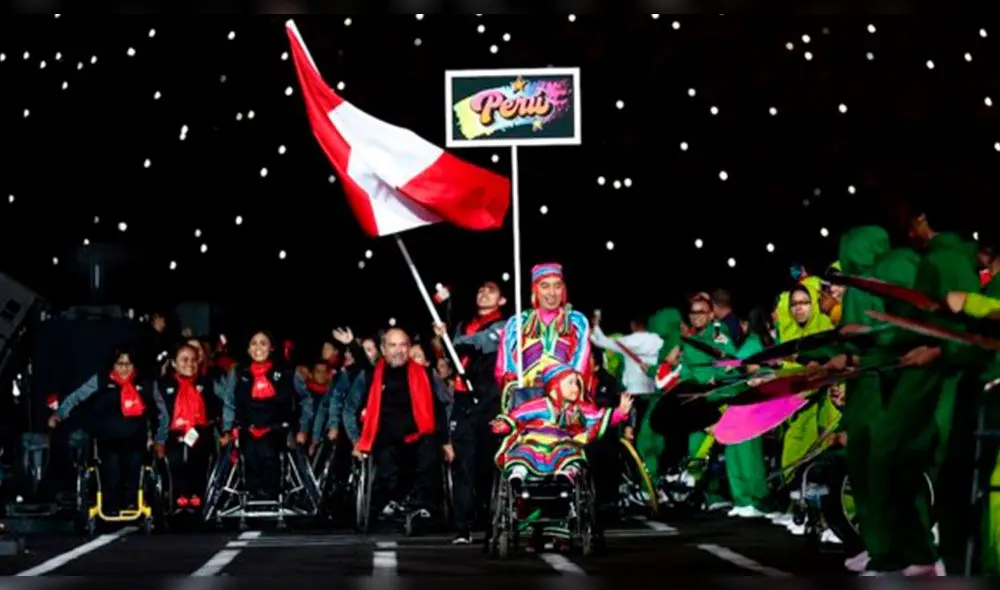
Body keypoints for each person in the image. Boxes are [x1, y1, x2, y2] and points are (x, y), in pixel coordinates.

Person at [863, 202, 983, 576]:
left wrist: (935, 351)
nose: (906, 229)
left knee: (905, 463)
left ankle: (924, 558)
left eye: (909, 220)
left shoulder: (946, 260)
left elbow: (964, 329)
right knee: (900, 463)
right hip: (932, 378)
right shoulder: (939, 259)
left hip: (939, 383)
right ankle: (918, 556)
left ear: (922, 218)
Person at [346, 327, 453, 528]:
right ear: (383, 349)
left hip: (420, 434)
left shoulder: (426, 374)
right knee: (385, 452)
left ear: (409, 347)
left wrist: (447, 442)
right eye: (392, 345)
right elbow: (350, 407)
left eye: (403, 345)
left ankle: (423, 505)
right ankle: (391, 502)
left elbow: (440, 410)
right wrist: (356, 441)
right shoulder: (369, 376)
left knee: (430, 448)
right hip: (385, 437)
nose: (398, 350)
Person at [48, 345, 168, 515]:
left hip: (136, 439)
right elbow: (76, 397)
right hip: (108, 439)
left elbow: (162, 413)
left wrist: (160, 438)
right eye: (120, 364)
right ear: (113, 365)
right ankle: (110, 504)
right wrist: (59, 414)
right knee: (111, 466)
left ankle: (131, 502)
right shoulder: (101, 380)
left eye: (128, 364)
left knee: (134, 464)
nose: (124, 368)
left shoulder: (147, 384)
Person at [432, 280, 507, 544]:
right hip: (463, 400)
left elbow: (476, 345)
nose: (483, 293)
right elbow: (452, 358)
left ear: (502, 301)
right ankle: (462, 527)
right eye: (480, 289)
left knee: (487, 464)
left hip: (488, 400)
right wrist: (444, 338)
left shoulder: (504, 326)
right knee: (462, 464)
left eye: (491, 290)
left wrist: (449, 339)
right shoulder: (463, 324)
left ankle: (491, 522)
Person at [492, 362, 632, 489]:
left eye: (577, 383)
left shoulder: (580, 409)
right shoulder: (538, 405)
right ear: (554, 386)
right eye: (570, 383)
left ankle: (567, 474)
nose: (575, 388)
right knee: (523, 451)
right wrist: (504, 424)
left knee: (572, 455)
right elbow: (515, 416)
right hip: (533, 442)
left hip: (563, 443)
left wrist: (619, 413)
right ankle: (518, 474)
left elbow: (598, 418)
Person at [495, 263, 591, 408]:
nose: (552, 292)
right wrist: (514, 387)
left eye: (557, 286)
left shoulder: (576, 322)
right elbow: (505, 367)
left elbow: (581, 366)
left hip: (565, 404)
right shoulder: (518, 324)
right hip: (527, 401)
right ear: (535, 290)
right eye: (545, 286)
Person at [222, 331, 296, 501]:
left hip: (276, 426)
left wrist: (298, 428)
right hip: (248, 425)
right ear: (248, 349)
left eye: (263, 343)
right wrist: (227, 428)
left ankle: (270, 491)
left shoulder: (285, 372)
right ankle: (253, 491)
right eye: (253, 343)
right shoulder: (239, 372)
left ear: (271, 348)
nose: (258, 348)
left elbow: (297, 401)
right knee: (249, 449)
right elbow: (229, 402)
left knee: (266, 447)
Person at [724, 307, 776, 518]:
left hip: (746, 406)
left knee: (745, 456)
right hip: (743, 406)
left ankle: (751, 499)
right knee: (742, 454)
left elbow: (750, 368)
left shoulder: (752, 342)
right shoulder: (760, 341)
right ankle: (745, 499)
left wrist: (733, 366)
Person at [157, 343, 222, 511]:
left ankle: (197, 495)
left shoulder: (206, 383)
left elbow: (218, 407)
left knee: (198, 454)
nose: (189, 364)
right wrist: (158, 439)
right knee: (176, 457)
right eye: (184, 360)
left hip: (200, 430)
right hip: (174, 432)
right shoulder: (163, 385)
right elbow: (159, 415)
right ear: (174, 363)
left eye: (193, 360)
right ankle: (178, 496)